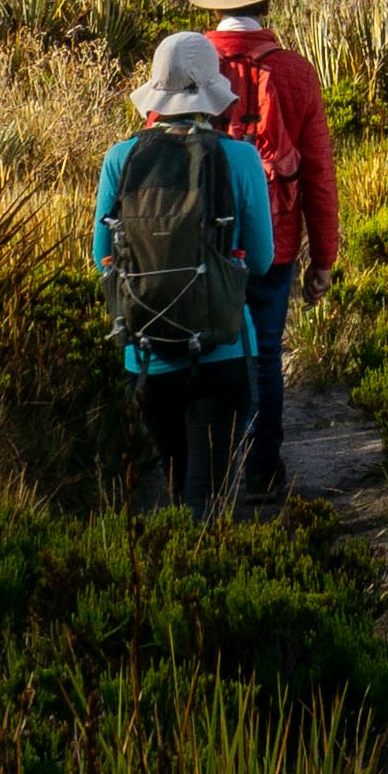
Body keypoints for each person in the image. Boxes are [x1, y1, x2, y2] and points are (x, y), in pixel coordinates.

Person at [94, 30, 278, 518]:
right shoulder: (239, 158)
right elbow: (261, 260)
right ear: (210, 92)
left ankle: (174, 579)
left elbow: (102, 258)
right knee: (211, 499)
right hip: (224, 349)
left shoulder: (120, 158)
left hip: (147, 357)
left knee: (179, 493)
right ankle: (205, 581)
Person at [197, 0, 338, 482]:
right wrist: (323, 258)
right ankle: (261, 473)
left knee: (207, 352)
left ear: (216, 4)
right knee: (264, 354)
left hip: (201, 243)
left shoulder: (190, 63)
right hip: (273, 243)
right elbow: (319, 175)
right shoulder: (296, 71)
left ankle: (206, 472)